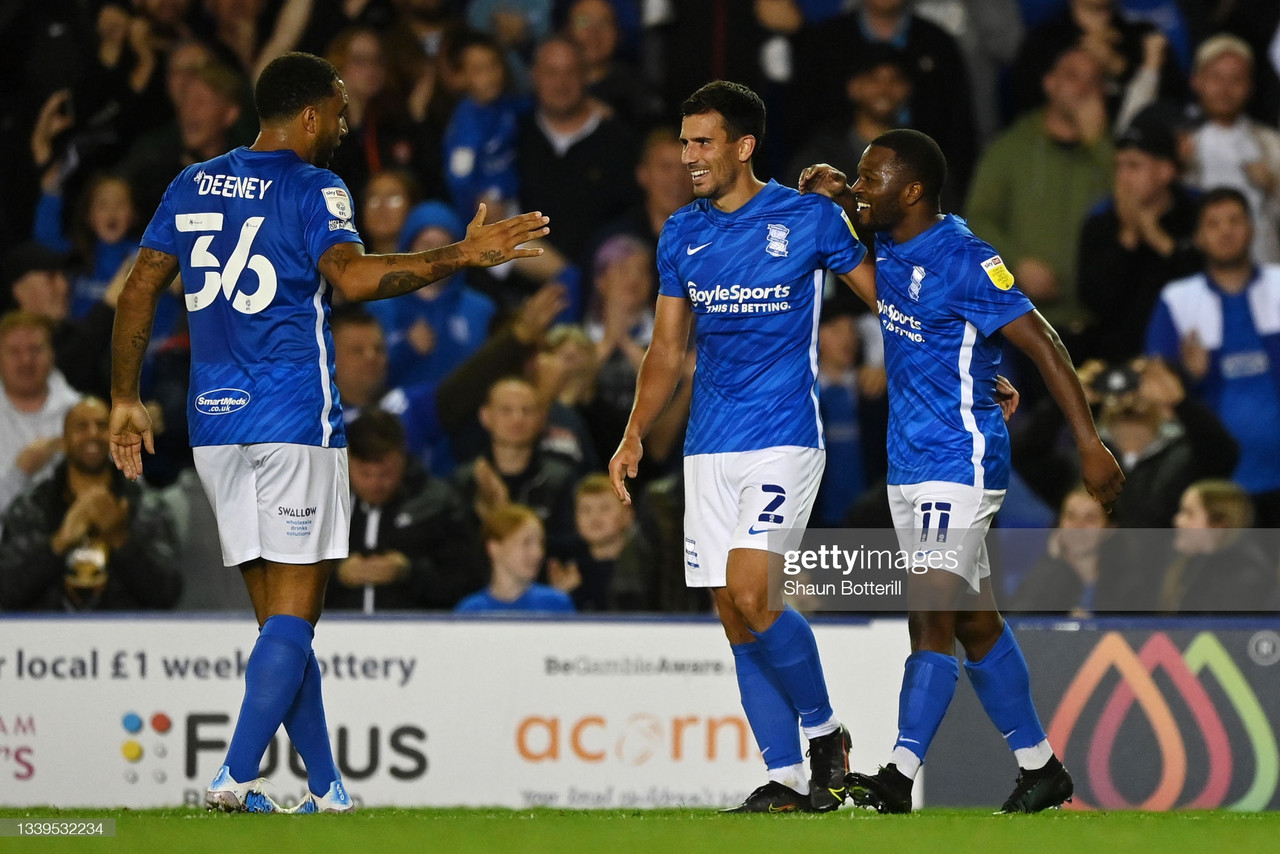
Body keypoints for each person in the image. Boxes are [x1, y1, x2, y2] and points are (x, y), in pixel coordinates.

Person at [107, 51, 549, 814]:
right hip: (292, 418)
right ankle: (232, 776)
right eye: (340, 110)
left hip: (214, 425)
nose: (345, 123)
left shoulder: (192, 181)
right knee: (294, 618)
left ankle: (327, 787)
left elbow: (142, 283)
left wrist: (123, 397)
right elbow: (349, 278)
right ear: (310, 114)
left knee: (282, 625)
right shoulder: (316, 186)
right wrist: (461, 255)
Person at [799, 127, 1123, 813]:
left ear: (911, 191)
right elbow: (897, 298)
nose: (863, 188)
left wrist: (1089, 442)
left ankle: (897, 775)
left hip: (962, 460)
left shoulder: (969, 259)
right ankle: (1042, 769)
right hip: (910, 463)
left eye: (872, 178)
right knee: (974, 620)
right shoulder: (890, 236)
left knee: (930, 616)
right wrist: (834, 195)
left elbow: (1045, 341)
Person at [609, 81, 875, 814]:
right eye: (684, 142)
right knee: (732, 611)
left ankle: (826, 738)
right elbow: (667, 350)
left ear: (743, 145)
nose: (688, 156)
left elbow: (886, 295)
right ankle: (787, 778)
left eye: (702, 143)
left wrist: (967, 365)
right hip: (708, 445)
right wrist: (633, 433)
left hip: (783, 436)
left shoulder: (808, 218)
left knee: (757, 594)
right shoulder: (680, 233)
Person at [1145, 187, 1280, 528]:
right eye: (1213, 224)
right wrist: (1190, 375)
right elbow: (1156, 389)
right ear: (1199, 237)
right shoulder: (1179, 300)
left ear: (1252, 229)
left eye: (1235, 220)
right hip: (1216, 483)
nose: (1226, 231)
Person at [0, 397, 181, 612]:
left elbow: (167, 593)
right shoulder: (31, 507)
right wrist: (59, 543)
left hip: (127, 638)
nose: (93, 434)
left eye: (102, 426)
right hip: (48, 640)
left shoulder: (146, 506)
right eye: (81, 426)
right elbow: (7, 592)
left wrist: (119, 538)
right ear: (64, 442)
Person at [328, 409, 485, 612]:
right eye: (365, 474)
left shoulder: (437, 504)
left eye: (386, 473)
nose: (375, 483)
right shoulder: (324, 504)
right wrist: (336, 576)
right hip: (335, 637)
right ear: (347, 459)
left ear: (401, 458)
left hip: (417, 636)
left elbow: (468, 580)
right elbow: (286, 576)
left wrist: (409, 572)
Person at [0, 311, 82, 525]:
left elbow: (130, 490)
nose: (26, 360)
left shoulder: (85, 415)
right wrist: (19, 474)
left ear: (52, 353)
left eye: (35, 350)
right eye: (14, 352)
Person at [454, 502, 575, 613]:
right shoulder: (471, 611)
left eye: (541, 543)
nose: (537, 553)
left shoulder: (555, 604)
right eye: (526, 543)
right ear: (494, 547)